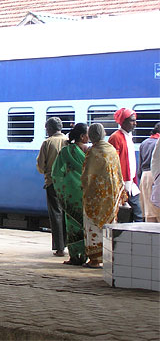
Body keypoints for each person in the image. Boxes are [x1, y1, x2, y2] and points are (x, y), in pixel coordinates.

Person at [81, 123, 125, 268]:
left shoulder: (92, 151)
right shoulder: (111, 150)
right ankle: (108, 256)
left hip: (95, 197)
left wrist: (85, 189)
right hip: (110, 196)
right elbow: (117, 172)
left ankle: (94, 259)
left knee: (93, 226)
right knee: (109, 226)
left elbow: (86, 175)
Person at [51, 123, 89, 266]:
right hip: (86, 192)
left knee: (72, 225)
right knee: (85, 223)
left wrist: (63, 185)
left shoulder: (66, 151)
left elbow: (56, 172)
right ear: (82, 136)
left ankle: (75, 256)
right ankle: (87, 253)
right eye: (87, 134)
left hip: (71, 194)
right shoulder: (89, 151)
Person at [36, 117, 68, 256]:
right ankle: (69, 245)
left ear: (49, 129)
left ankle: (59, 247)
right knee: (68, 213)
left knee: (56, 214)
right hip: (69, 184)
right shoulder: (68, 141)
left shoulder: (47, 143)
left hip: (52, 183)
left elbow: (41, 166)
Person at [108, 108, 143, 222]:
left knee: (136, 214)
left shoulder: (128, 136)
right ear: (124, 122)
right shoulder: (116, 137)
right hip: (122, 184)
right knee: (129, 215)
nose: (135, 123)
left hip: (130, 183)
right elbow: (114, 162)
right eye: (132, 121)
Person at [137, 122, 160, 222]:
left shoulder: (144, 142)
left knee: (148, 213)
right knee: (157, 211)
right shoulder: (157, 143)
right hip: (155, 176)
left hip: (144, 177)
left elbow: (139, 166)